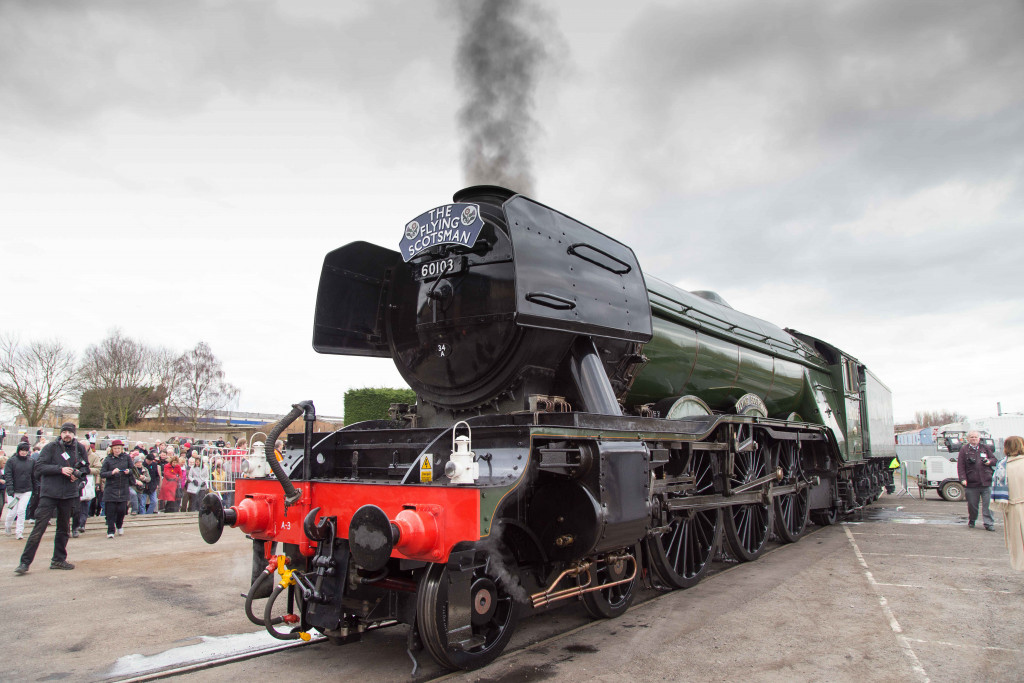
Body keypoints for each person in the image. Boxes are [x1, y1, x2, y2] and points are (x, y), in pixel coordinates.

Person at [15, 422, 89, 575]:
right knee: (39, 528)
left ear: (74, 433)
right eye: (64, 432)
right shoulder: (50, 447)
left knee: (63, 529)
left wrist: (77, 475)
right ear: (60, 433)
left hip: (68, 494)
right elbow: (39, 467)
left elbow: (85, 467)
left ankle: (58, 559)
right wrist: (60, 469)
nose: (67, 434)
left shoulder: (79, 448)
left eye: (70, 432)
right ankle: (25, 562)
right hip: (49, 493)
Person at [958, 430, 997, 530]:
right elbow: (961, 466)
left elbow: (994, 460)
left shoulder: (985, 448)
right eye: (971, 437)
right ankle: (972, 519)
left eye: (975, 437)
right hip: (971, 483)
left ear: (979, 438)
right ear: (968, 439)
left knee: (988, 505)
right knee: (972, 505)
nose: (974, 439)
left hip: (986, 482)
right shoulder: (964, 450)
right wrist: (963, 478)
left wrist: (989, 462)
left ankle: (989, 523)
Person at [100, 440, 139, 538]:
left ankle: (119, 525)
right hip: (111, 488)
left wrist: (128, 471)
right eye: (115, 448)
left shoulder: (126, 457)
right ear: (112, 449)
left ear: (121, 449)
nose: (117, 450)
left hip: (123, 487)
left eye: (118, 448)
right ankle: (110, 531)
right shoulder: (108, 459)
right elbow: (102, 473)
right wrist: (112, 473)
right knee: (110, 511)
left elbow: (133, 470)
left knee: (122, 510)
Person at [997, 435, 1024, 570]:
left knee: (1018, 544)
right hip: (1016, 504)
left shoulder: (1002, 466)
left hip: (1012, 507)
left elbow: (997, 494)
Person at [4, 442, 35, 539]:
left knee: (21, 511)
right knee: (12, 512)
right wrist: (10, 489)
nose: (24, 452)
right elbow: (8, 476)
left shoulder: (31, 461)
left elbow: (34, 476)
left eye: (26, 450)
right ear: (18, 450)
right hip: (13, 491)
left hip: (26, 490)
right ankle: (7, 526)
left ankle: (19, 532)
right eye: (22, 450)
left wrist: (35, 488)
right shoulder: (11, 461)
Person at [75, 440, 103, 537]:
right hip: (75, 480)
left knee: (85, 503)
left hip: (88, 480)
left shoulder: (94, 456)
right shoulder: (74, 454)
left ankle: (82, 524)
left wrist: (87, 470)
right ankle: (75, 524)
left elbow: (99, 469)